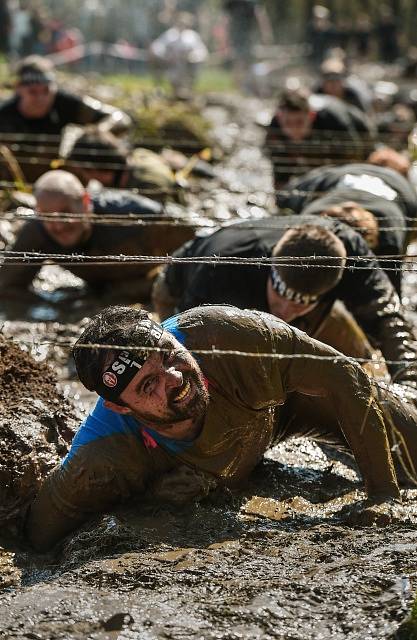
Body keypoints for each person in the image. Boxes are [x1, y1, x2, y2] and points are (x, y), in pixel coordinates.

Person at [26, 303, 417, 551]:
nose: (174, 378)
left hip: (287, 407)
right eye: (149, 385)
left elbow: (345, 374)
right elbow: (37, 537)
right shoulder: (103, 453)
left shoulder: (227, 337)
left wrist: (382, 493)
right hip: (207, 455)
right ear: (120, 407)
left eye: (170, 355)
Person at [152, 217, 417, 386]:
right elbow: (183, 336)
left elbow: (389, 318)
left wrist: (409, 383)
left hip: (306, 296)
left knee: (357, 356)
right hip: (181, 278)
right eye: (282, 295)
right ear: (272, 269)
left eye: (301, 303)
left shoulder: (351, 253)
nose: (286, 311)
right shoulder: (224, 269)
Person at [0, 170, 194, 303]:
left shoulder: (138, 218)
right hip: (99, 289)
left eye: (66, 212)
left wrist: (135, 290)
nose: (58, 226)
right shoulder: (37, 230)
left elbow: (197, 258)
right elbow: (8, 287)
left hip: (142, 281)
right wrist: (55, 305)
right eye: (47, 216)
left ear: (85, 201)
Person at [277, 157, 417, 292]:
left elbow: (286, 193)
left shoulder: (338, 171)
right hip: (364, 227)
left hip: (323, 212)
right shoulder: (407, 192)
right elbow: (390, 289)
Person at [0, 56, 132, 183]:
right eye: (33, 92)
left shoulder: (65, 103)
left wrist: (95, 134)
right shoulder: (4, 114)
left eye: (46, 91)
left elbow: (120, 118)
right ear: (18, 88)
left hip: (60, 180)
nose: (41, 98)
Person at [264, 88, 374, 189]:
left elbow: (355, 154)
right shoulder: (275, 127)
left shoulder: (332, 120)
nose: (294, 129)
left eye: (299, 122)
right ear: (279, 117)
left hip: (358, 132)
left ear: (311, 116)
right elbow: (278, 167)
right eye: (287, 123)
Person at [65, 131, 183, 203]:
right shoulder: (140, 154)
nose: (86, 178)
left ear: (97, 171)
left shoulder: (144, 193)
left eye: (84, 173)